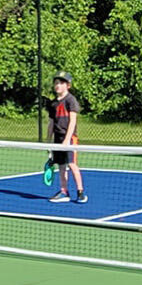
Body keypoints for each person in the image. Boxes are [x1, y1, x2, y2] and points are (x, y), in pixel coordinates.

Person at [47, 72, 86, 204]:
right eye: (56, 83)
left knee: (72, 164)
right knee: (61, 165)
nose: (58, 85)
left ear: (67, 85)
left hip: (69, 138)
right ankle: (64, 191)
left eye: (61, 83)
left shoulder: (71, 100)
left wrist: (66, 140)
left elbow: (72, 121)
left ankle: (80, 192)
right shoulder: (53, 104)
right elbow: (51, 122)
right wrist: (48, 141)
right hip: (57, 138)